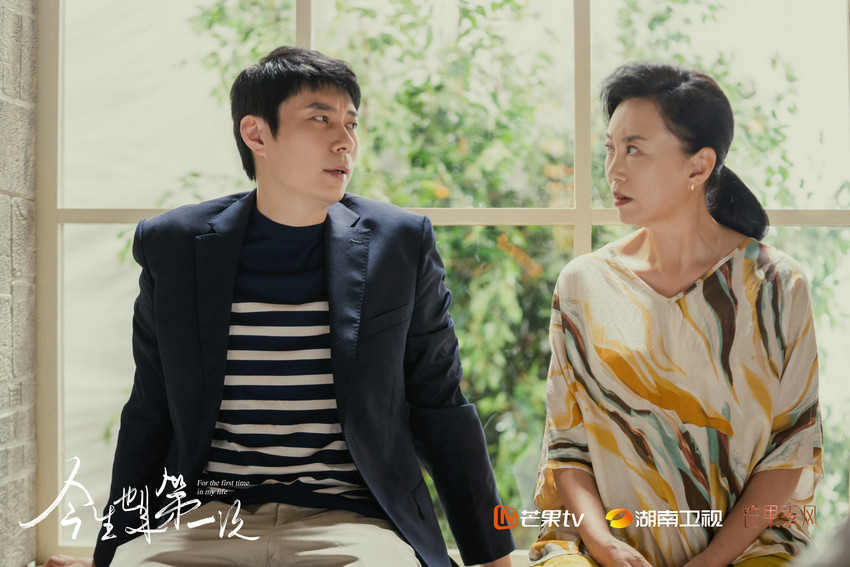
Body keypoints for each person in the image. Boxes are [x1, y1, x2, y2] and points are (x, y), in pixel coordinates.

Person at [46, 46, 514, 567]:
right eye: (321, 118)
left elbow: (441, 404)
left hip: (353, 522)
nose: (345, 140)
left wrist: (493, 557)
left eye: (351, 122)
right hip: (203, 519)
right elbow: (149, 412)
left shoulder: (399, 244)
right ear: (256, 134)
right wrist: (108, 554)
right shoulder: (174, 246)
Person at [530, 62, 822, 567]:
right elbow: (566, 446)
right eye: (610, 148)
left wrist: (709, 562)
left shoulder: (778, 286)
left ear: (698, 166)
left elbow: (790, 452)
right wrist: (604, 545)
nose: (613, 170)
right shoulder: (582, 284)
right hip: (602, 547)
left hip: (745, 550)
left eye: (634, 149)